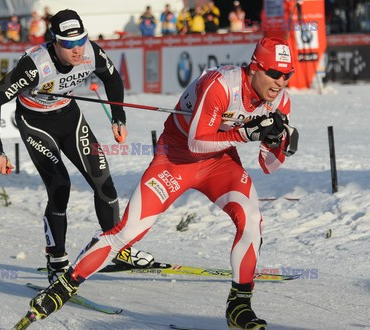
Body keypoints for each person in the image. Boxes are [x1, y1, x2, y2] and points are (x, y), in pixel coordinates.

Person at [25, 37, 299, 329]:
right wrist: (246, 135)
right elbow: (196, 143)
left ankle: (239, 305)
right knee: (129, 231)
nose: (280, 82)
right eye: (274, 73)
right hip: (176, 159)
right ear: (255, 68)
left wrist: (279, 141)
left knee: (252, 220)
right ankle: (63, 287)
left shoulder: (279, 101)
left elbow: (268, 166)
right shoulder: (220, 84)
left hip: (219, 163)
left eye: (287, 75)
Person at [0, 9, 154, 284]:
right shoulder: (34, 65)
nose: (77, 50)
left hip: (70, 117)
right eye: (68, 44)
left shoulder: (91, 52)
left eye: (81, 41)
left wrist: (119, 118)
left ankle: (116, 249)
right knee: (60, 188)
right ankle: (57, 260)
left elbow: (112, 78)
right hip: (36, 124)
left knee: (104, 183)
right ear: (54, 42)